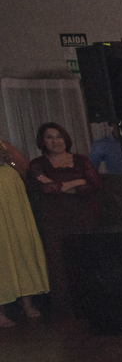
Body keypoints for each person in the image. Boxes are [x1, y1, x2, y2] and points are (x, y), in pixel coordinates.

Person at [26, 123, 101, 314]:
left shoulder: (81, 159)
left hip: (84, 216)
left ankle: (94, 302)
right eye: (49, 137)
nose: (55, 141)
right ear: (42, 141)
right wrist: (77, 181)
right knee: (59, 260)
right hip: (55, 219)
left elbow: (93, 184)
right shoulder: (37, 164)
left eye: (58, 136)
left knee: (88, 256)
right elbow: (44, 188)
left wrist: (60, 185)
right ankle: (66, 307)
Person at [0, 139, 47, 327]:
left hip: (14, 204)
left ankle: (27, 303)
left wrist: (9, 158)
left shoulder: (3, 144)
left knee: (21, 249)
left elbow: (26, 171)